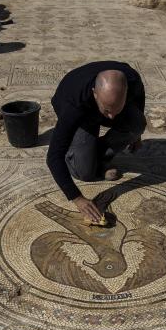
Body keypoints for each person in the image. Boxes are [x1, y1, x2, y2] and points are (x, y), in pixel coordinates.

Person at [47, 61, 146, 223]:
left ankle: (97, 155)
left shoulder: (132, 81)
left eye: (116, 109)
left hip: (103, 103)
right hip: (80, 110)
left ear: (126, 92)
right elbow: (53, 157)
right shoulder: (74, 107)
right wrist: (77, 199)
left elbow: (138, 101)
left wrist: (137, 135)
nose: (112, 118)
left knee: (137, 123)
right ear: (95, 93)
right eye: (107, 110)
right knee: (85, 172)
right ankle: (77, 154)